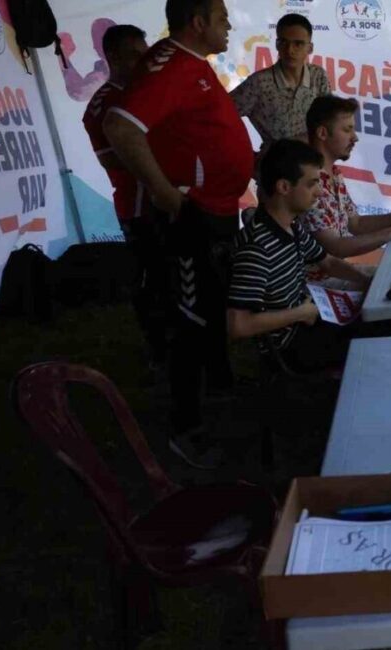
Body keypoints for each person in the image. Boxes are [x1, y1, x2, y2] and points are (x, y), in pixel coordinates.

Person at [104, 0, 254, 469]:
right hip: (189, 217)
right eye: (223, 17)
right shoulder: (169, 65)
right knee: (189, 322)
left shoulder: (192, 65)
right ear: (199, 22)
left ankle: (218, 393)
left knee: (208, 309)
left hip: (214, 212)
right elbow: (120, 127)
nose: (229, 25)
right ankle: (185, 430)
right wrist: (168, 196)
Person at [228, 139, 391, 373]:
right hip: (294, 345)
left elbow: (328, 262)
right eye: (312, 184)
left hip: (309, 319)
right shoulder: (257, 248)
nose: (320, 192)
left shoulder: (290, 226)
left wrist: (370, 284)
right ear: (284, 187)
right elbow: (237, 325)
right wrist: (298, 313)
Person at [82, 25, 163, 366]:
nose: (142, 61)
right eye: (134, 54)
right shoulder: (103, 104)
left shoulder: (148, 91)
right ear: (112, 56)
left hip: (167, 196)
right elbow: (112, 159)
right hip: (138, 205)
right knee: (149, 277)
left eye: (145, 53)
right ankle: (158, 348)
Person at [302, 95, 391, 284]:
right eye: (347, 130)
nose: (354, 137)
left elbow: (356, 224)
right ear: (323, 133)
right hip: (316, 284)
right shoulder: (308, 183)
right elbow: (336, 247)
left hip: (335, 274)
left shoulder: (334, 174)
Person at [231, 13, 331, 163]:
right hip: (275, 173)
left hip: (313, 171)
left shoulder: (318, 76)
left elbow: (329, 123)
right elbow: (220, 118)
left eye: (298, 44)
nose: (290, 50)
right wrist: (247, 158)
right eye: (283, 42)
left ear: (310, 48)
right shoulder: (260, 83)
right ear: (277, 44)